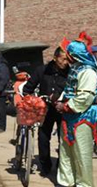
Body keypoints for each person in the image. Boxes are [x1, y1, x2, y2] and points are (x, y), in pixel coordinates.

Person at [54, 34, 97, 187]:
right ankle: (66, 180)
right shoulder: (76, 70)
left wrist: (66, 106)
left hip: (83, 115)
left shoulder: (88, 72)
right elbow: (68, 90)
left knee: (82, 150)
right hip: (69, 114)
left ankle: (85, 183)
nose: (67, 60)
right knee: (66, 148)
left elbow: (85, 97)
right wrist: (60, 101)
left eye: (68, 56)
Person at [23, 47, 70, 177]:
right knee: (43, 137)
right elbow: (28, 88)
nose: (65, 62)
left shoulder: (70, 72)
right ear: (55, 58)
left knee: (64, 138)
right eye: (63, 59)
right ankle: (45, 165)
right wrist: (31, 99)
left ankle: (62, 164)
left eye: (67, 59)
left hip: (63, 110)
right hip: (45, 109)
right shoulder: (42, 70)